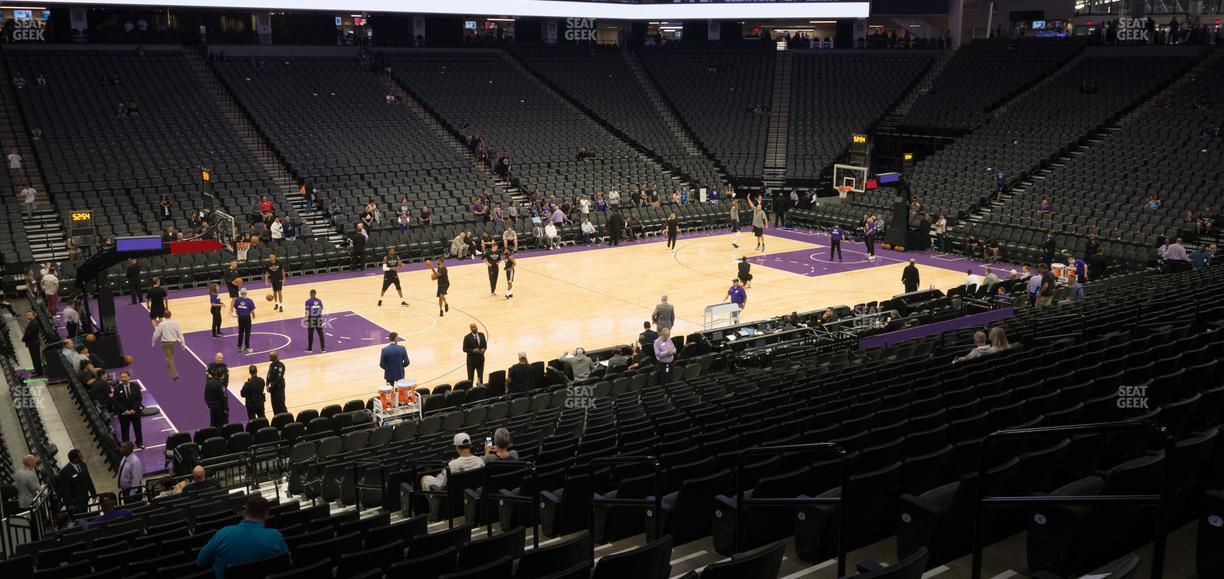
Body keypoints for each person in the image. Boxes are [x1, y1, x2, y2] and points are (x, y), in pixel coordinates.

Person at [197, 495, 291, 578]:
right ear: (266, 515)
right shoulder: (275, 536)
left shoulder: (222, 534)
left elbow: (201, 561)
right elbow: (288, 563)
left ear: (244, 513)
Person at [420, 433, 485, 490]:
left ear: (456, 447)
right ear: (470, 445)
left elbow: (443, 486)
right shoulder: (480, 460)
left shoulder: (452, 465)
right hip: (472, 494)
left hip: (453, 496)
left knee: (425, 478)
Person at [55, 449, 95, 514]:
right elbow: (66, 490)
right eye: (80, 456)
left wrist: (93, 493)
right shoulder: (65, 472)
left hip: (85, 498)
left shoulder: (83, 465)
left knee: (85, 514)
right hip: (75, 502)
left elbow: (88, 480)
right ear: (75, 459)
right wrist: (70, 504)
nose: (82, 457)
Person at [151, 310, 184, 381]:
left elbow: (156, 334)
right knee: (170, 357)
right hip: (174, 342)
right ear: (170, 315)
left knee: (169, 358)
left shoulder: (161, 324)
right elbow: (180, 334)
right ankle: (169, 368)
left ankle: (175, 374)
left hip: (165, 343)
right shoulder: (176, 323)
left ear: (164, 316)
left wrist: (153, 342)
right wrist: (183, 343)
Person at [114, 371, 144, 449]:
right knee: (124, 431)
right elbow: (116, 401)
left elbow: (139, 398)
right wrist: (125, 410)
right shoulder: (117, 388)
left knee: (138, 429)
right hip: (124, 414)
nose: (123, 379)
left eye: (125, 377)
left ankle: (139, 443)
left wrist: (134, 409)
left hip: (135, 413)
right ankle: (126, 446)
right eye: (122, 377)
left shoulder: (135, 386)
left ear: (129, 377)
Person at [234, 288, 256, 354]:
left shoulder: (237, 300)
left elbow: (236, 308)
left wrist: (238, 313)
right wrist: (253, 315)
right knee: (247, 333)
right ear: (246, 293)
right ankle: (247, 347)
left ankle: (239, 347)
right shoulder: (249, 301)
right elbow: (252, 310)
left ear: (240, 293)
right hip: (247, 318)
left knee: (240, 332)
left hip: (240, 318)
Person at [22, 311, 43, 377]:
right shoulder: (32, 322)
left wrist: (23, 339)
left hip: (34, 343)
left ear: (33, 315)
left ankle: (39, 372)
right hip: (33, 343)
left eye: (29, 315)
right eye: (27, 315)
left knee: (36, 358)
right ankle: (37, 370)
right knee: (34, 358)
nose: (28, 316)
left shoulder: (34, 323)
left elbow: (29, 334)